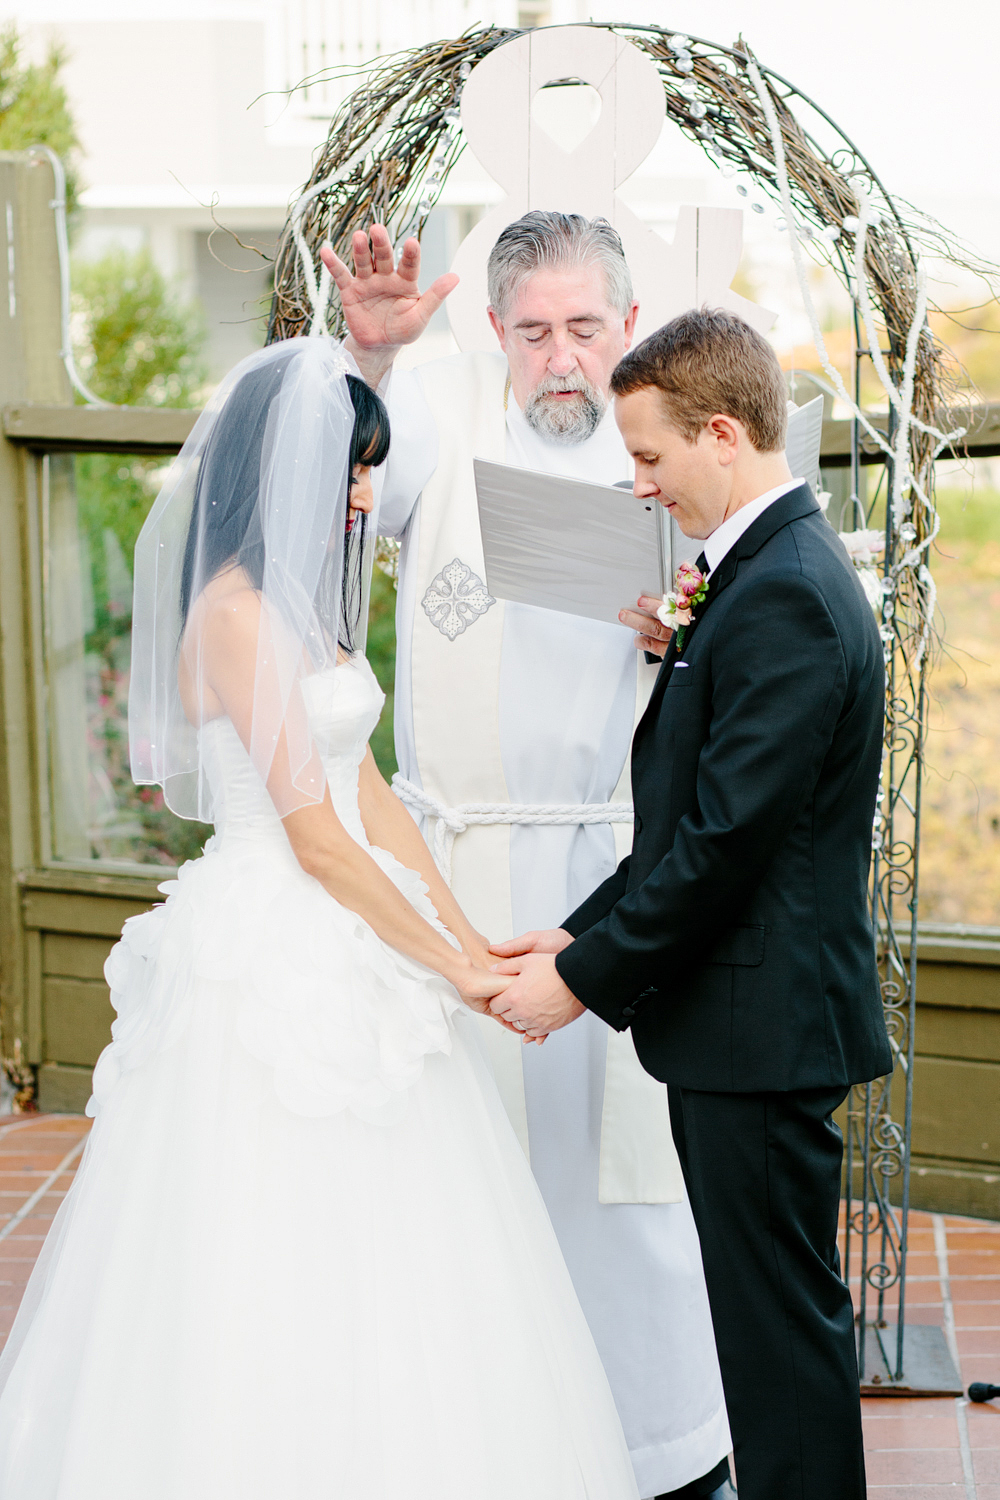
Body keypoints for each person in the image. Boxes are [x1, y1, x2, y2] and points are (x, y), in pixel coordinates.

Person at [0, 338, 640, 1500]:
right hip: (272, 945)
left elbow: (375, 796)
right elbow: (313, 836)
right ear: (281, 470)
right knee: (270, 1230)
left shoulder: (315, 611)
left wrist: (469, 937)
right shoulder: (236, 617)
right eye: (352, 472)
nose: (363, 496)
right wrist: (449, 972)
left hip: (350, 918)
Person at [322, 213, 734, 1500]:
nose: (561, 362)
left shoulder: (670, 466)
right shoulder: (444, 436)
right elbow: (330, 502)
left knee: (635, 1190)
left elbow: (762, 654)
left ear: (627, 323)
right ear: (493, 333)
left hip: (619, 874)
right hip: (466, 874)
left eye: (586, 331)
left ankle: (662, 1449)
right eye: (534, 333)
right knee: (477, 1182)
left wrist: (683, 636)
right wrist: (373, 362)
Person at [490, 308, 893, 1500]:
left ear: (724, 434)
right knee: (766, 1323)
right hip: (743, 1020)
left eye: (652, 456)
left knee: (776, 1335)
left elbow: (724, 850)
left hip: (761, 1028)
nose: (641, 484)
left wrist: (577, 980)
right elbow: (693, 827)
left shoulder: (783, 595)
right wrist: (576, 929)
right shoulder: (759, 575)